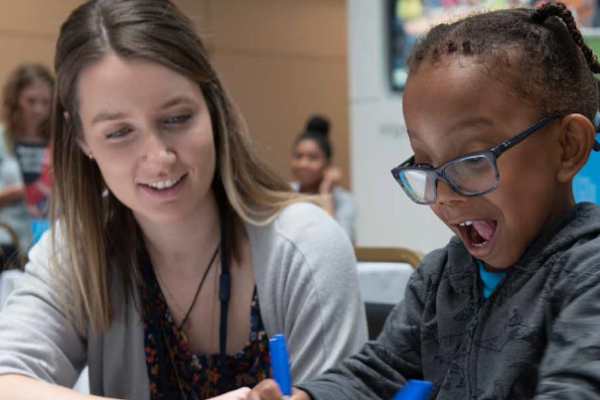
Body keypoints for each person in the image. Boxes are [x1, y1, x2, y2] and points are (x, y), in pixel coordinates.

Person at [0, 1, 368, 399]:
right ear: (81, 138)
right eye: (120, 132)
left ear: (212, 107)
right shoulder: (76, 249)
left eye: (176, 118)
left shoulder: (306, 248)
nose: (159, 159)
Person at [250, 3, 600, 399]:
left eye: (471, 161)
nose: (445, 196)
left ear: (568, 147)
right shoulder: (439, 279)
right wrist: (308, 396)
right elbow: (380, 372)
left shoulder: (588, 275)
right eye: (425, 165)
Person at [0, 63, 54, 243]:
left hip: (48, 239)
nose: (38, 109)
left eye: (45, 102)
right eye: (31, 101)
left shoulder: (58, 143)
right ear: (16, 101)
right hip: (7, 239)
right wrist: (17, 192)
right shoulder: (2, 138)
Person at [290, 116, 357, 241]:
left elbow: (339, 242)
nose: (303, 164)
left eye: (313, 158)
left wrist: (325, 192)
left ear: (328, 163)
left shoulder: (343, 201)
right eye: (298, 156)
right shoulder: (284, 192)